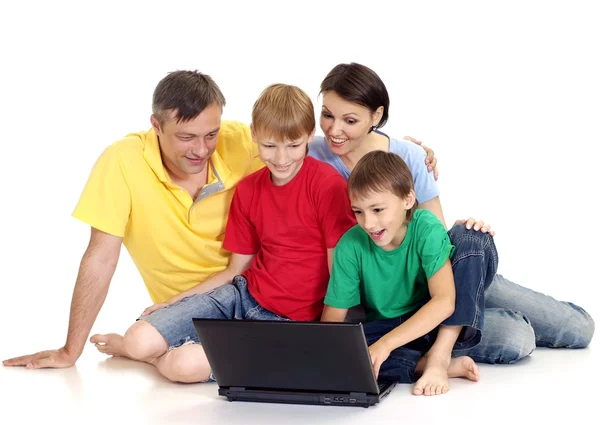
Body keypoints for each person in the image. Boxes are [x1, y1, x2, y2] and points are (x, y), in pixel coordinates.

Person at [38, 83, 356, 382]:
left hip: (290, 321)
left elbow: (338, 272)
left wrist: (325, 340)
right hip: (242, 295)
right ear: (254, 136)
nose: (282, 158)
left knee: (183, 367)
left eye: (294, 146)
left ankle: (165, 356)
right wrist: (173, 303)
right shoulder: (247, 189)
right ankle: (141, 350)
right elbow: (235, 270)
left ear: (310, 137)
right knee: (137, 340)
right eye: (270, 146)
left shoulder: (327, 186)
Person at [309, 62, 595, 363]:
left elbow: (433, 233)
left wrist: (464, 244)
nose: (334, 129)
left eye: (350, 120)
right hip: (384, 294)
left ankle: (461, 324)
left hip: (440, 278)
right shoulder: (306, 154)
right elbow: (269, 142)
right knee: (514, 337)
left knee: (577, 328)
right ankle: (465, 331)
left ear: (376, 116)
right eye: (327, 115)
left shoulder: (409, 156)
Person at [322, 150, 498, 396]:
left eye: (377, 209)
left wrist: (385, 346)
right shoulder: (351, 245)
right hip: (392, 326)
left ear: (407, 200)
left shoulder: (425, 227)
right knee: (351, 352)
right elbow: (331, 323)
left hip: (439, 320)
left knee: (472, 237)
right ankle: (426, 364)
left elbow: (445, 301)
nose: (368, 223)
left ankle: (439, 357)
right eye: (359, 211)